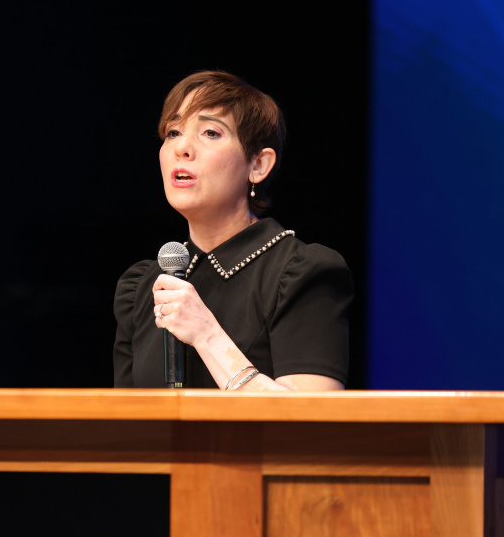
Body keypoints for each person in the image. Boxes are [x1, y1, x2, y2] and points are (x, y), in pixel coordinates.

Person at [113, 71, 353, 390]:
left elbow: (309, 416)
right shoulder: (142, 286)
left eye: (210, 132)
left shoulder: (301, 273)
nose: (182, 148)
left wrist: (207, 335)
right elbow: (125, 417)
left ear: (258, 165)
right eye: (173, 132)